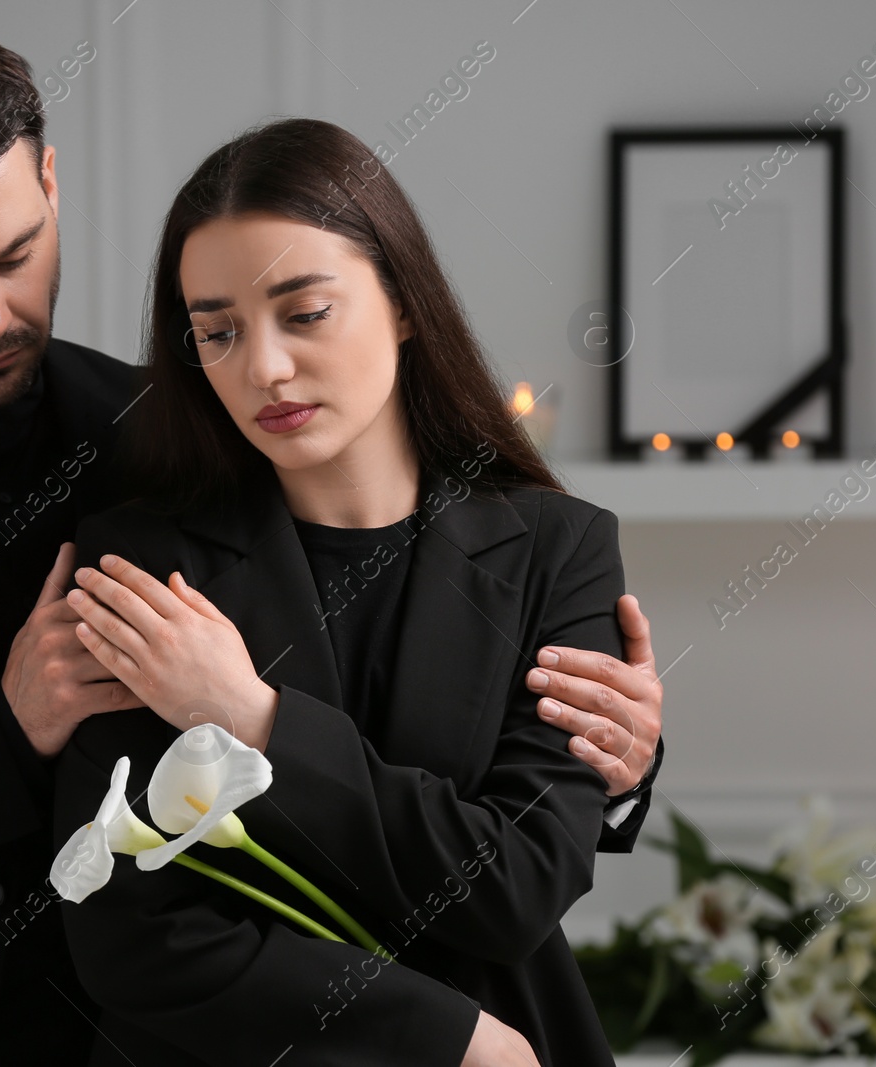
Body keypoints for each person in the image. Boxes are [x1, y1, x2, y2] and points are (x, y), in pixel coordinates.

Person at [0, 25, 663, 1065]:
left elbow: (381, 673)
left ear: (54, 186)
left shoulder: (190, 431)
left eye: (16, 255)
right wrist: (5, 732)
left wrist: (603, 764)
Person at [55, 117, 653, 1066]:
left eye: (305, 312)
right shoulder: (140, 564)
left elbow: (515, 886)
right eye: (218, 331)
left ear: (405, 302)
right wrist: (444, 1037)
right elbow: (135, 934)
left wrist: (251, 716)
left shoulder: (559, 548)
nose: (264, 368)